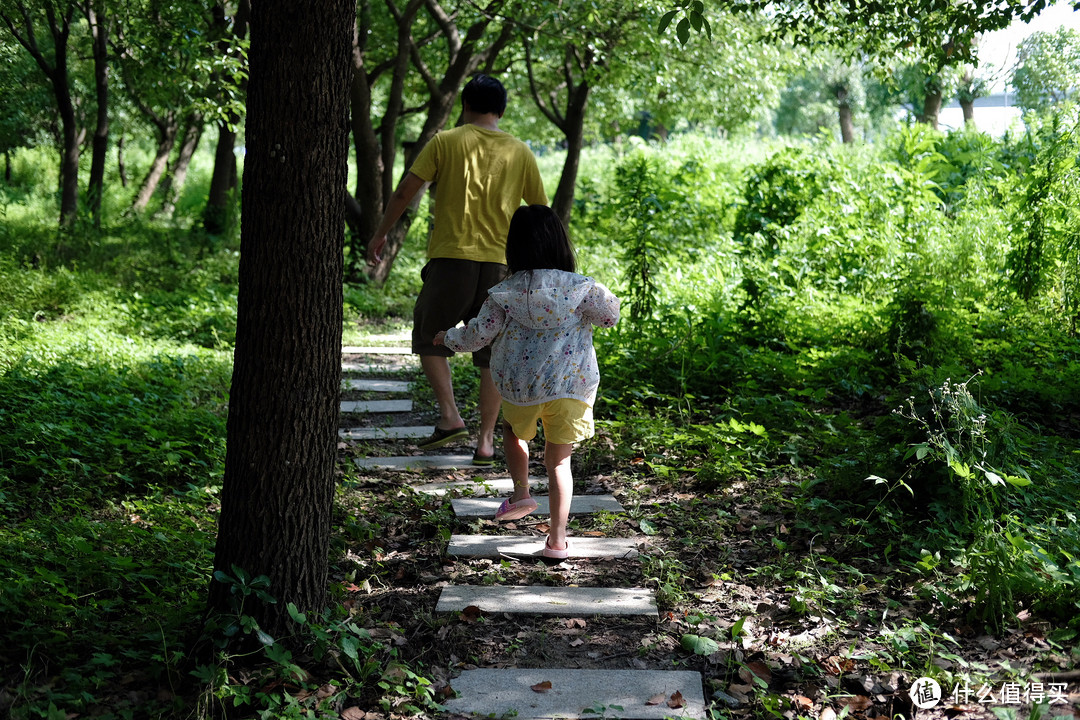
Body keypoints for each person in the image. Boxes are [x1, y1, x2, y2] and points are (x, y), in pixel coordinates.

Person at [366, 74, 547, 465]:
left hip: (451, 258)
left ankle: (450, 417)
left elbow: (404, 192)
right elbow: (540, 213)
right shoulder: (520, 151)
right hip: (502, 266)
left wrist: (380, 234)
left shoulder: (445, 141)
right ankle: (484, 442)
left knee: (428, 334)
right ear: (501, 109)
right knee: (492, 353)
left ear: (464, 104)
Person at [434, 205, 620, 559]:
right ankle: (558, 540)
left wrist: (448, 338)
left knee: (512, 430)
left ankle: (521, 492)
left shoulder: (503, 293)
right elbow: (610, 316)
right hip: (570, 387)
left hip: (521, 389)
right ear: (562, 244)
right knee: (560, 463)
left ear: (514, 247)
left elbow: (478, 336)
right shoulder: (583, 288)